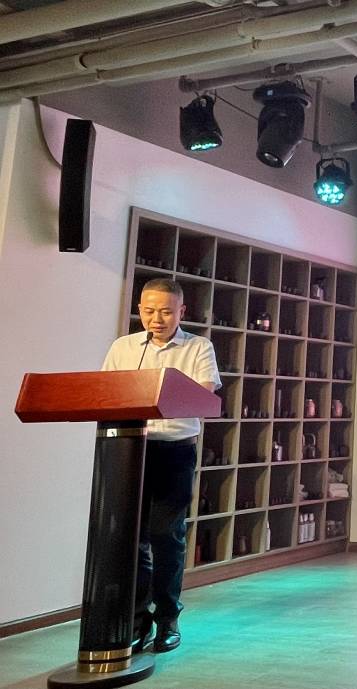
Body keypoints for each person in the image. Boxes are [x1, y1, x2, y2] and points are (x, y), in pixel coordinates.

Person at [101, 278, 220, 653]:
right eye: (150, 311)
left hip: (174, 451)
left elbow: (204, 394)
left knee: (166, 535)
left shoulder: (198, 347)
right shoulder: (123, 347)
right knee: (130, 538)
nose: (157, 318)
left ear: (181, 312)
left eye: (166, 312)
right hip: (128, 450)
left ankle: (168, 617)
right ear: (139, 309)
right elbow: (105, 392)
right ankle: (137, 621)